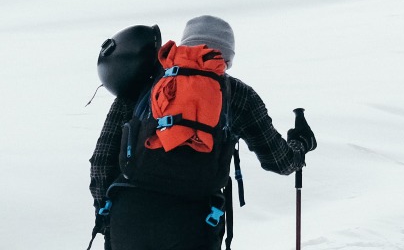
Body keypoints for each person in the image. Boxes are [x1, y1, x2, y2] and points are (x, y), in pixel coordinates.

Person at [90, 15, 316, 250]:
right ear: (226, 59)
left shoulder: (144, 80)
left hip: (130, 220)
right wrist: (300, 146)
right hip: (196, 224)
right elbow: (279, 161)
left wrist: (107, 216)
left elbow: (101, 160)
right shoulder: (238, 95)